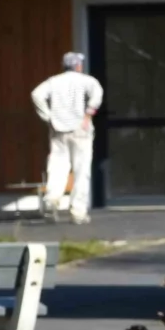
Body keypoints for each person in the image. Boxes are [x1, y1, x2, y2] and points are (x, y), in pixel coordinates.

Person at [31, 52, 104, 223]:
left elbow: (36, 94)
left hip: (58, 128)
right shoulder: (87, 81)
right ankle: (78, 212)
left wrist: (48, 116)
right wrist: (88, 114)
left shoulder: (54, 81)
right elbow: (97, 94)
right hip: (81, 129)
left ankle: (51, 200)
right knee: (81, 170)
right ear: (78, 65)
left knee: (57, 167)